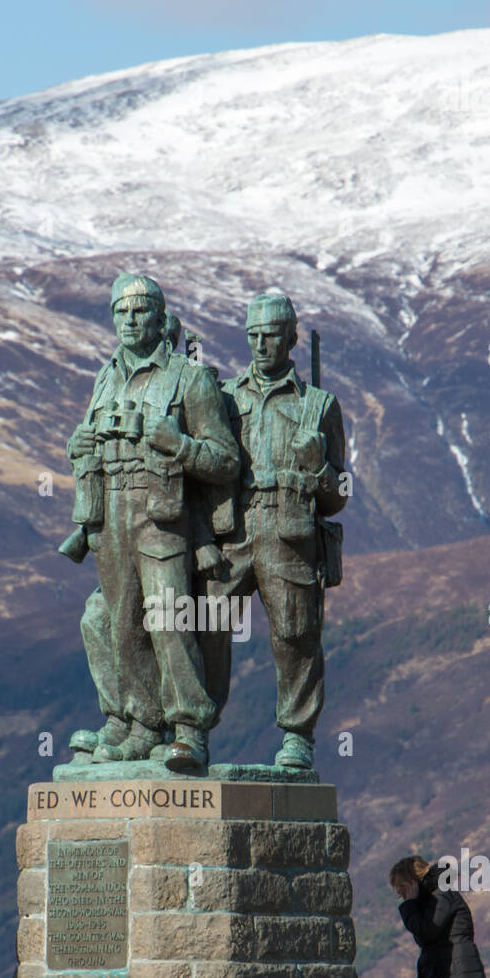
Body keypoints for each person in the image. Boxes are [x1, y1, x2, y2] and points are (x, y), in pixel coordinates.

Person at [64, 273, 239, 772]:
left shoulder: (189, 378)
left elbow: (225, 461)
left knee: (169, 617)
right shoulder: (106, 377)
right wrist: (81, 447)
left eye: (139, 311)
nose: (129, 320)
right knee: (120, 623)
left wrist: (178, 445)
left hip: (162, 513)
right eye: (121, 312)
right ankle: (140, 724)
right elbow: (91, 436)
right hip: (110, 511)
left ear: (160, 318)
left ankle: (189, 729)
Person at [200, 291, 347, 770]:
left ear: (291, 338)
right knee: (206, 624)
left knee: (295, 635)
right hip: (234, 527)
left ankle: (297, 735)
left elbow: (339, 494)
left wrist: (319, 464)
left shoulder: (320, 406)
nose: (261, 345)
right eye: (253, 336)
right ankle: (193, 727)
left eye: (271, 336)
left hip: (290, 532)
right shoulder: (225, 396)